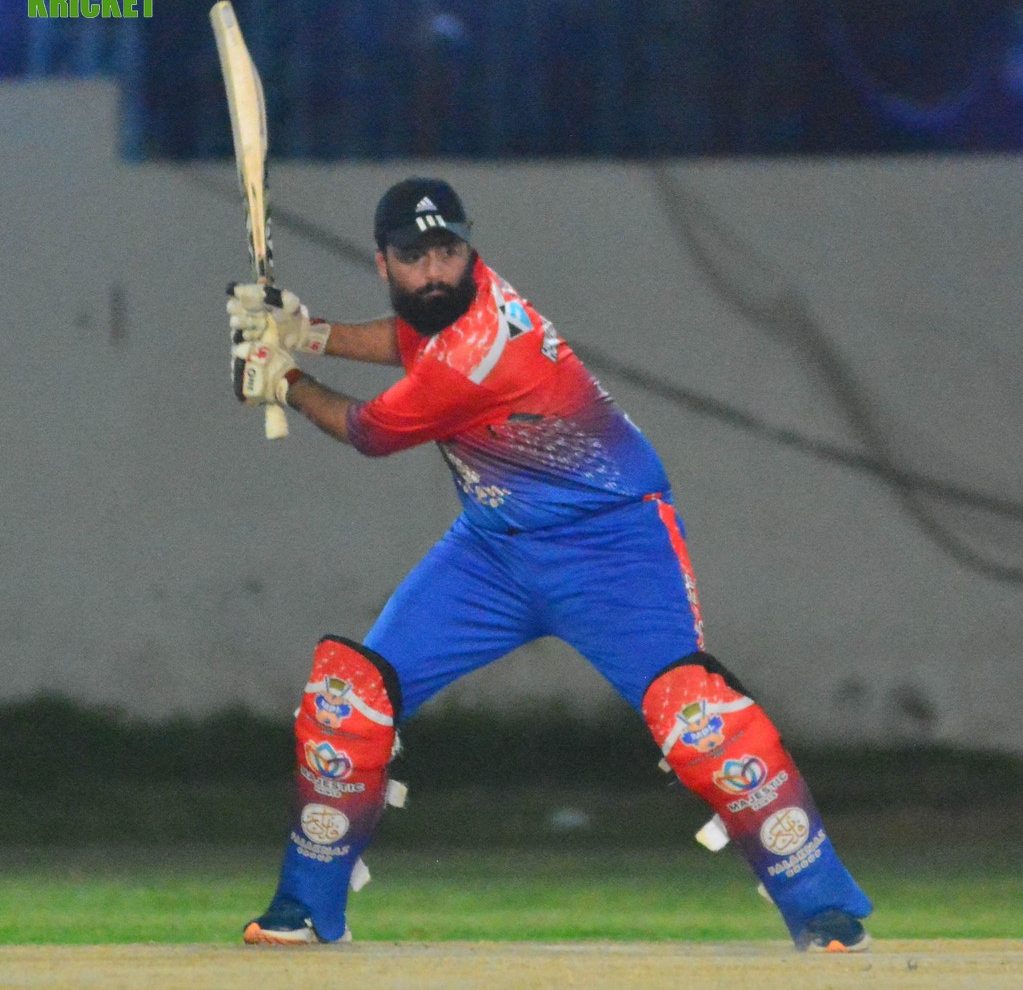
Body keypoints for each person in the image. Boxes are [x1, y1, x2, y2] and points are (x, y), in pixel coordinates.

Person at [228, 177, 873, 951]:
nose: (433, 271)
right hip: (492, 552)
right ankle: (306, 908)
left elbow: (369, 431)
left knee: (700, 721)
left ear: (470, 248)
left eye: (447, 252)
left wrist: (284, 379)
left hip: (613, 547)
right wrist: (307, 333)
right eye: (414, 257)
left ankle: (823, 909)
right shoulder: (451, 311)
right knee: (349, 700)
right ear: (383, 263)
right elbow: (411, 340)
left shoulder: (477, 353)